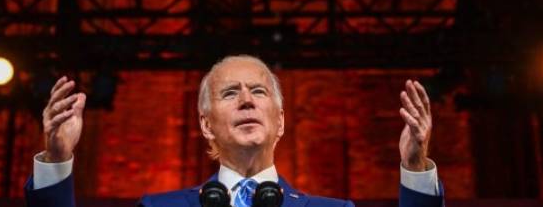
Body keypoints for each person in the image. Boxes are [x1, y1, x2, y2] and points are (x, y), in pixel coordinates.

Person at [24, 55, 444, 207]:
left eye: (258, 91)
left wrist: (414, 166)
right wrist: (58, 160)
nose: (246, 100)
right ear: (206, 124)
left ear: (280, 121)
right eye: (230, 93)